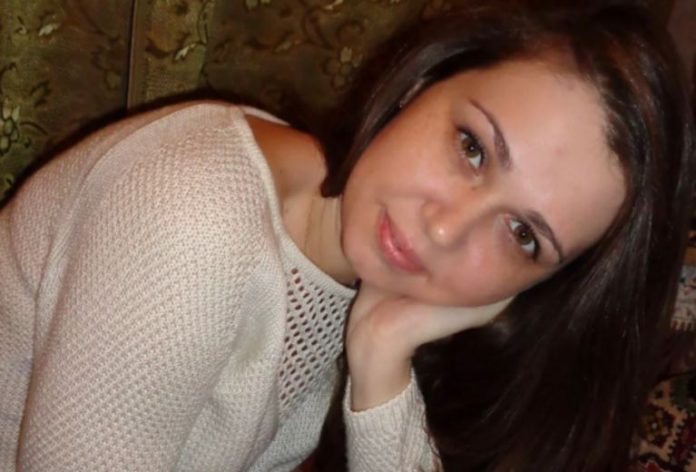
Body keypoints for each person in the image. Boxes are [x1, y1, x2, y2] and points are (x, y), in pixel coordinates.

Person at [0, 3, 692, 472]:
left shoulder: (363, 275)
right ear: (423, 81)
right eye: (471, 147)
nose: (445, 227)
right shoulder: (193, 218)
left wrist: (383, 361)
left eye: (522, 235)